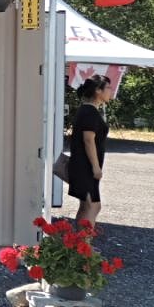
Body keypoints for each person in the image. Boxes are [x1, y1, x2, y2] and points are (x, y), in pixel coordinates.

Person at [68, 74, 113, 229]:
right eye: (108, 88)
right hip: (85, 167)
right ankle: (83, 246)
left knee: (86, 205)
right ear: (98, 91)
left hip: (82, 166)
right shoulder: (90, 112)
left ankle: (77, 245)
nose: (110, 91)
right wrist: (95, 167)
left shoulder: (87, 110)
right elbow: (88, 140)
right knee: (93, 206)